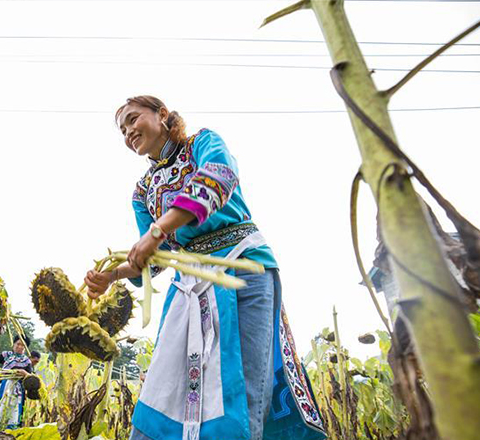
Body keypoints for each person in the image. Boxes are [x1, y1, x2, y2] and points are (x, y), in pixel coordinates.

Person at [84, 96, 325, 440]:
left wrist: (158, 230)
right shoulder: (143, 192)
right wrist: (114, 274)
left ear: (162, 115)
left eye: (133, 119)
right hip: (188, 288)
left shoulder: (202, 143)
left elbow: (218, 179)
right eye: (122, 130)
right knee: (165, 389)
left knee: (241, 386)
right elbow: (152, 259)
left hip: (243, 268)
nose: (128, 132)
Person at [0, 335, 32, 431]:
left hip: (18, 388)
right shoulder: (6, 355)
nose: (19, 347)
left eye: (22, 345)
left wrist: (24, 373)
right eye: (18, 344)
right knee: (0, 404)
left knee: (14, 408)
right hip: (4, 385)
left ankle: (12, 429)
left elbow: (30, 376)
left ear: (25, 348)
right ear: (13, 344)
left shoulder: (27, 361)